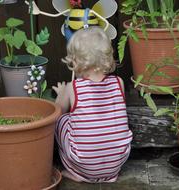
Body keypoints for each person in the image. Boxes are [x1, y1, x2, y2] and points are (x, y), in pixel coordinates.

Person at [52, 27, 133, 183]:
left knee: (62, 120)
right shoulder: (119, 82)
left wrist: (62, 92)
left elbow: (57, 112)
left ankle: (77, 173)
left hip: (84, 162)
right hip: (116, 162)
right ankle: (107, 173)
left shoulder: (73, 87)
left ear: (76, 60)